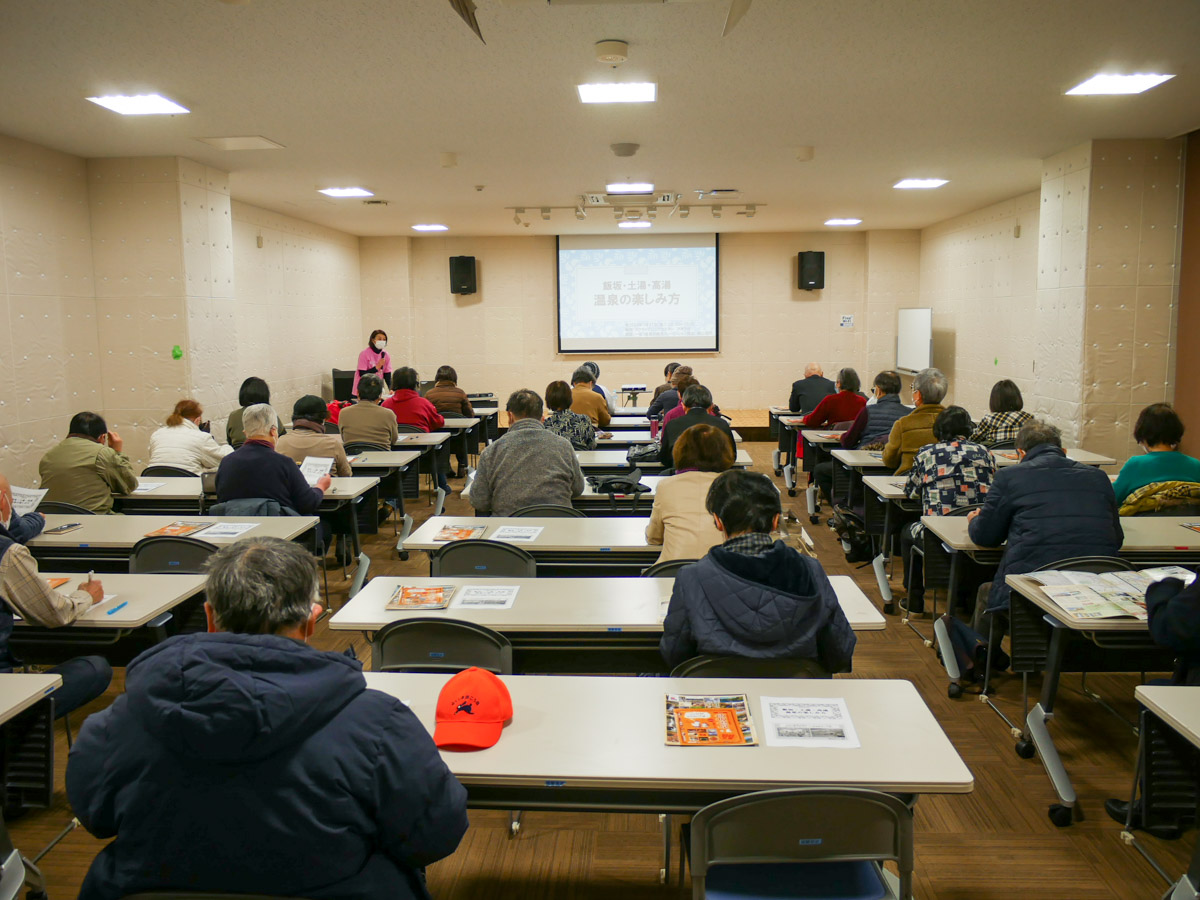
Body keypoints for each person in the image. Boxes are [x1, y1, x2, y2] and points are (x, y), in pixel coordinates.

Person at [67, 537, 468, 900]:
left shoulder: (119, 720)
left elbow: (95, 817)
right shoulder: (377, 721)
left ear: (209, 617)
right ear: (311, 622)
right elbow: (435, 834)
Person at [659, 470, 856, 672]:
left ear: (718, 521)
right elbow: (840, 651)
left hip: (716, 693)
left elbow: (674, 654)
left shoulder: (692, 576)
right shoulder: (810, 570)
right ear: (775, 521)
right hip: (796, 693)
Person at [967, 421, 1123, 636]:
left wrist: (974, 519)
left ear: (1020, 453)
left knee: (987, 592)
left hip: (1034, 586)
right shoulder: (1098, 477)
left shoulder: (1009, 477)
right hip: (1096, 588)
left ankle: (983, 662)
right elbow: (1117, 538)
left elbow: (985, 536)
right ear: (1064, 451)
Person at [0, 473, 112, 718]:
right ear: (2, 501)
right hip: (5, 691)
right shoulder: (7, 553)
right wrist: (86, 596)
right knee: (95, 667)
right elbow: (54, 613)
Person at [900, 406, 996, 613]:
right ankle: (964, 597)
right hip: (976, 530)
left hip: (936, 536)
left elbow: (911, 493)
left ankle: (914, 599)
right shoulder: (985, 453)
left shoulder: (927, 453)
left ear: (938, 430)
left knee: (907, 531)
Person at [469, 389, 584, 517]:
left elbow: (479, 501)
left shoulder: (491, 451)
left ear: (509, 416)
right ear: (542, 418)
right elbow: (578, 489)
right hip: (558, 528)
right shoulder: (564, 446)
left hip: (507, 532)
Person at [215, 403, 330, 516]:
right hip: (282, 530)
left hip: (238, 529)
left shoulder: (226, 463)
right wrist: (321, 486)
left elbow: (222, 501)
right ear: (273, 431)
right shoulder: (284, 463)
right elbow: (308, 503)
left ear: (245, 433)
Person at [813, 371, 909, 502]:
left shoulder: (868, 411)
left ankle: (841, 507)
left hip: (864, 467)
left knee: (820, 470)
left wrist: (841, 437)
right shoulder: (908, 413)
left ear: (878, 390)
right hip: (896, 468)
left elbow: (848, 441)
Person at [645, 424, 733, 563]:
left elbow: (653, 538)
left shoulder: (666, 486)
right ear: (724, 453)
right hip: (721, 571)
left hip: (672, 569)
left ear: (680, 451)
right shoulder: (734, 487)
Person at [38, 412, 138, 514]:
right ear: (102, 437)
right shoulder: (101, 452)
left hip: (53, 519)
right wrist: (117, 452)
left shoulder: (50, 454)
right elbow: (129, 485)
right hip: (92, 519)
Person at [1111, 403, 1200, 506]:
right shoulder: (1195, 465)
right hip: (1186, 521)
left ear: (1142, 432)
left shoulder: (1135, 465)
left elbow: (1114, 499)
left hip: (1142, 521)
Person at [383, 368, 451, 492]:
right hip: (423, 456)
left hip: (394, 454)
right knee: (440, 446)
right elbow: (439, 422)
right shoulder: (423, 403)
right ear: (416, 384)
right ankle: (442, 485)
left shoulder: (385, 405)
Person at [882, 367, 948, 474]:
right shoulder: (953, 423)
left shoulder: (903, 424)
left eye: (912, 388)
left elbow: (889, 461)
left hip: (910, 481)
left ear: (918, 395)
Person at [147, 399, 233, 474]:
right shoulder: (201, 437)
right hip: (189, 486)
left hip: (156, 483)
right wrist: (228, 446)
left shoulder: (156, 434)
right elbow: (225, 459)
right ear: (198, 419)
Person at [275, 395, 353, 477]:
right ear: (323, 418)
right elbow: (346, 475)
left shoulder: (280, 442)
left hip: (291, 489)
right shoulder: (333, 444)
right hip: (327, 488)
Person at [659, 384, 735, 468]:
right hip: (715, 476)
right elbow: (732, 456)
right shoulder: (722, 424)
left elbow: (665, 458)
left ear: (683, 406)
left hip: (682, 476)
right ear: (710, 406)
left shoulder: (672, 425)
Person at [425, 365, 475, 476]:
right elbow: (470, 414)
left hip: (437, 435)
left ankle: (445, 467)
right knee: (463, 437)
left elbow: (426, 416)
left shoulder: (429, 394)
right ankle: (462, 464)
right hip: (458, 437)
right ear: (454, 378)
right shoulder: (460, 393)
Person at [337, 373, 399, 448]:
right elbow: (393, 440)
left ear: (357, 393)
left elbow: (344, 438)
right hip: (382, 457)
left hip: (353, 456)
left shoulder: (343, 413)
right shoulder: (388, 414)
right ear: (380, 395)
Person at [226, 377, 287, 448]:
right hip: (266, 455)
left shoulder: (233, 416)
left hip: (238, 455)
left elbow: (229, 441)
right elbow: (282, 437)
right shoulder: (269, 414)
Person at [969, 379, 1034, 446]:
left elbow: (973, 440)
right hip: (1023, 455)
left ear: (995, 400)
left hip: (995, 455)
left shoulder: (989, 419)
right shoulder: (1030, 418)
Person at [802, 367, 866, 429]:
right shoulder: (862, 401)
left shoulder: (830, 400)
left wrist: (804, 419)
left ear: (838, 383)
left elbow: (813, 421)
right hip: (854, 438)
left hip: (833, 436)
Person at [543, 380, 597, 450]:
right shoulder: (584, 420)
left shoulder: (546, 425)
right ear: (569, 398)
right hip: (581, 459)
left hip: (557, 460)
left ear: (548, 400)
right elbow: (592, 445)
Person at [351, 328, 392, 398]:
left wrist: (391, 388)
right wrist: (376, 367)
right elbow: (362, 374)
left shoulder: (385, 355)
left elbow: (387, 374)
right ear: (373, 340)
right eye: (379, 339)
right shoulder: (364, 354)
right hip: (363, 390)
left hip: (376, 390)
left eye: (384, 339)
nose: (382, 341)